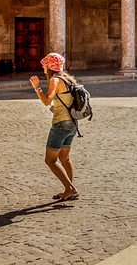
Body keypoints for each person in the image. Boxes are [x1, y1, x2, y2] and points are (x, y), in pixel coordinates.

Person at [29, 53, 80, 202]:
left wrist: (37, 87)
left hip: (61, 124)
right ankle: (68, 189)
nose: (43, 67)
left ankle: (70, 188)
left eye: (45, 65)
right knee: (65, 158)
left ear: (50, 66)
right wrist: (56, 107)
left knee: (50, 160)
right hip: (72, 124)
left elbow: (46, 100)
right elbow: (65, 100)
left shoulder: (55, 80)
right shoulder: (67, 79)